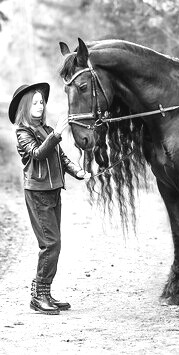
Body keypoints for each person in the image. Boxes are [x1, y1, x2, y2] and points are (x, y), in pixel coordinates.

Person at [8, 82, 90, 315]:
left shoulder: (44, 129)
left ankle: (44, 293)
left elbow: (61, 158)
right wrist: (56, 134)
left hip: (53, 192)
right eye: (34, 102)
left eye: (41, 102)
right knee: (50, 245)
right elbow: (37, 153)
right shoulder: (23, 132)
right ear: (25, 106)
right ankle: (39, 296)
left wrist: (78, 172)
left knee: (54, 244)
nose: (40, 105)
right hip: (38, 194)